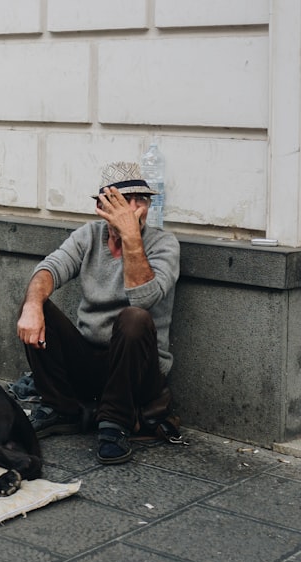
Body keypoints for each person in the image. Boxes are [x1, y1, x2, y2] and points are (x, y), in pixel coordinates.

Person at [16, 161, 180, 464]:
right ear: (102, 207)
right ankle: (60, 408)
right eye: (122, 201)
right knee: (35, 301)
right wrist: (32, 306)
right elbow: (50, 269)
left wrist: (131, 239)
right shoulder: (89, 235)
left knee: (134, 318)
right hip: (90, 361)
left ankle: (115, 423)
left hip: (139, 372)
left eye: (140, 200)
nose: (133, 208)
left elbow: (143, 299)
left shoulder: (164, 243)